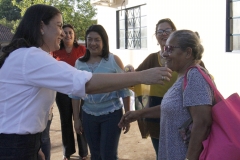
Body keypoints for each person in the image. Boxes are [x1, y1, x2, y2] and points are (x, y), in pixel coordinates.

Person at [0, 4, 172, 160]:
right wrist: (141, 76)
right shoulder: (30, 57)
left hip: (21, 142)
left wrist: (33, 145)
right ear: (41, 27)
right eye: (59, 26)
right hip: (15, 144)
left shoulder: (27, 56)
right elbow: (85, 84)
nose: (63, 33)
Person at [119, 29, 214, 160]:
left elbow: (202, 122)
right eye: (164, 49)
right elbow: (174, 108)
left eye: (170, 49)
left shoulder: (195, 76)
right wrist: (139, 113)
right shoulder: (183, 76)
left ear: (188, 52)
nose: (164, 54)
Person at [70, 24, 131, 160]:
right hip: (88, 116)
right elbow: (75, 94)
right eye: (89, 39)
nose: (93, 43)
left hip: (111, 115)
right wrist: (76, 119)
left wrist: (127, 115)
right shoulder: (79, 63)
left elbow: (124, 90)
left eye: (97, 39)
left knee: (108, 155)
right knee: (95, 155)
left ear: (104, 41)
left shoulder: (113, 60)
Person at [133, 18, 178, 158]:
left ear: (174, 33)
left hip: (179, 117)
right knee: (161, 154)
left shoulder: (184, 57)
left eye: (167, 30)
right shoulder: (152, 59)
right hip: (156, 118)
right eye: (160, 31)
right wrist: (128, 71)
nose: (163, 34)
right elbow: (134, 77)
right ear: (156, 36)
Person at [51, 24, 88, 160]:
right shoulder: (55, 51)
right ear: (61, 35)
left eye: (70, 32)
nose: (68, 35)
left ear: (74, 35)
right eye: (65, 32)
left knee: (80, 119)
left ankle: (83, 152)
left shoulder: (82, 50)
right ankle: (67, 152)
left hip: (80, 90)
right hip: (62, 92)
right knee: (65, 121)